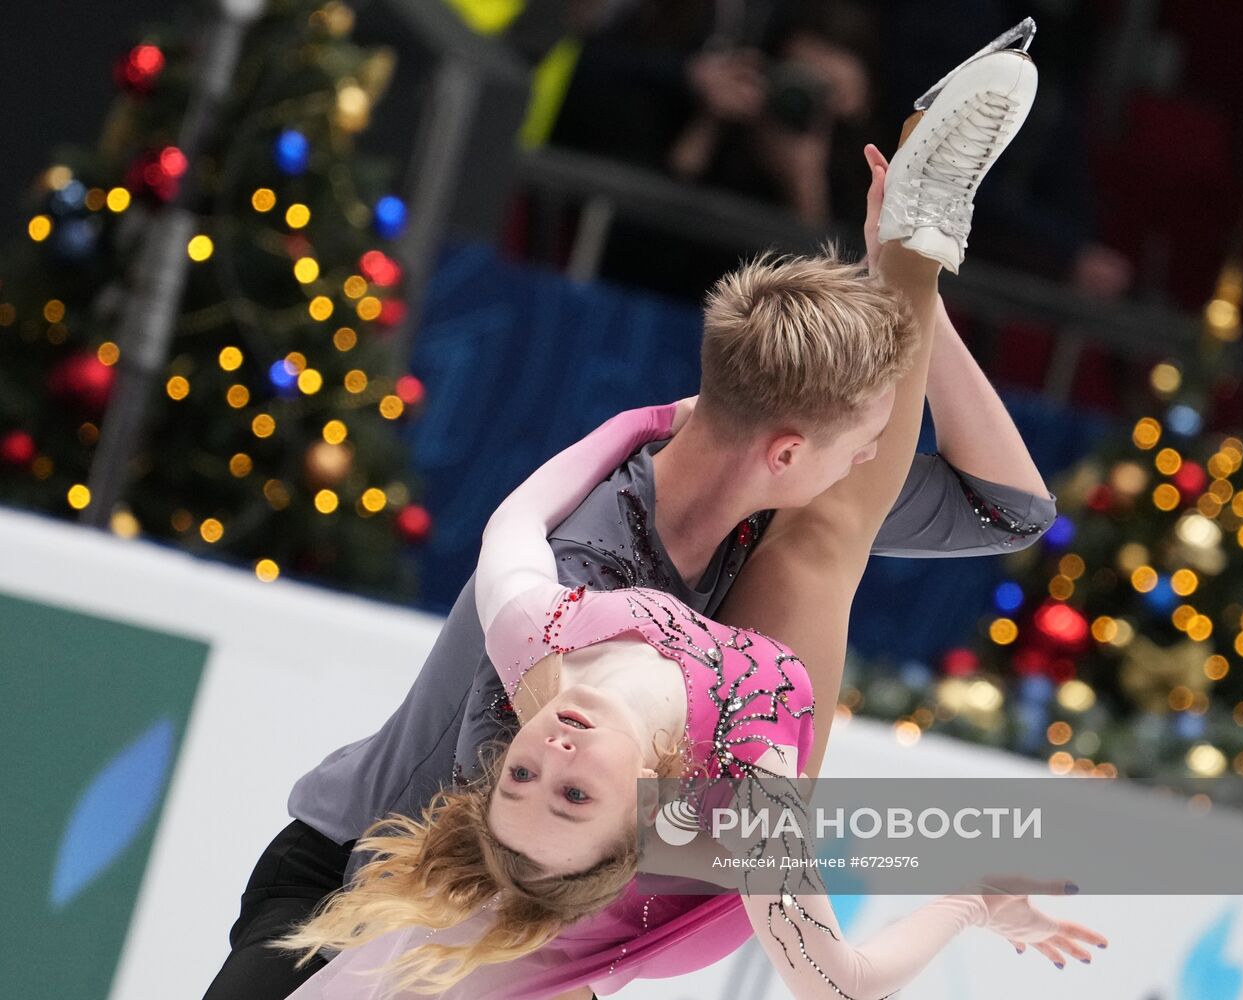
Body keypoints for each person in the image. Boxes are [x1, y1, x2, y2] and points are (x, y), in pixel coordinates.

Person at [203, 30, 1060, 1000]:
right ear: (786, 451)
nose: (874, 455)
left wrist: (913, 295)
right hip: (374, 883)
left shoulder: (718, 530)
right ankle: (910, 250)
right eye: (862, 436)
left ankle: (913, 248)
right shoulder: (587, 580)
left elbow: (1006, 510)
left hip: (511, 899)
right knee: (824, 541)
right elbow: (478, 853)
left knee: (828, 533)